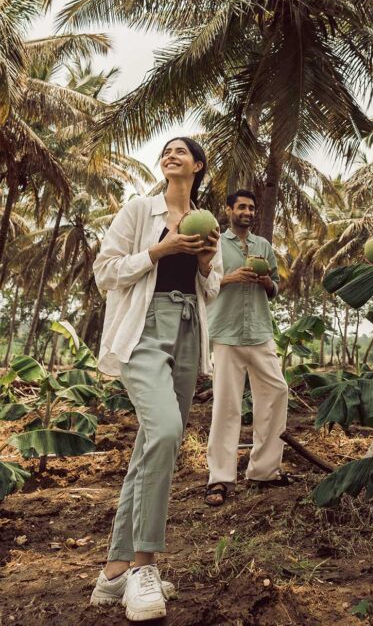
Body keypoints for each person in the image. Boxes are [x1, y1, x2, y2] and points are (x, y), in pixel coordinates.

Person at [89, 137, 222, 621]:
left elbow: (211, 288)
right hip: (143, 330)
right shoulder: (138, 210)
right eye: (166, 151)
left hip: (186, 330)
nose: (171, 155)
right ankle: (144, 565)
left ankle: (113, 575)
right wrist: (159, 250)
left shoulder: (207, 221)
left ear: (198, 165)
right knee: (165, 432)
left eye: (181, 151)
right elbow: (105, 272)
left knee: (150, 447)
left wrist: (204, 263)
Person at [204, 189, 289, 505]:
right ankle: (219, 478)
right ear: (229, 210)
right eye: (242, 207)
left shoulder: (263, 245)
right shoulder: (216, 245)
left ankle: (264, 470)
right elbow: (203, 283)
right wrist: (230, 278)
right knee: (226, 406)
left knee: (277, 392)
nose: (248, 212)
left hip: (260, 332)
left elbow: (275, 287)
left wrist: (267, 283)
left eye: (252, 208)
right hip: (226, 334)